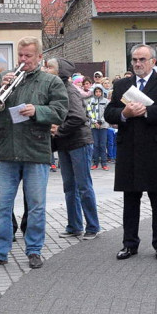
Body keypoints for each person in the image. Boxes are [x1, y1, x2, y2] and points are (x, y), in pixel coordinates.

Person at [0, 37, 67, 270]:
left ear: (39, 58)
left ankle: (34, 250)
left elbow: (60, 112)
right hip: (7, 149)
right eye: (20, 55)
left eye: (28, 56)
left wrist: (37, 110)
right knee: (2, 205)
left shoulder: (51, 81)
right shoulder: (2, 77)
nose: (23, 60)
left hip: (36, 150)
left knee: (36, 205)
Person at [105, 44, 157, 262]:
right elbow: (109, 112)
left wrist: (148, 111)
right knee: (130, 199)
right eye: (134, 59)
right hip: (129, 148)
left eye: (142, 59)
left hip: (155, 149)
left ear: (152, 62)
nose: (137, 63)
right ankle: (129, 244)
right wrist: (124, 113)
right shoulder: (121, 85)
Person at [47, 58, 101, 240]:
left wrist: (58, 129)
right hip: (65, 143)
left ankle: (92, 227)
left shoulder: (69, 90)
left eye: (50, 67)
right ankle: (74, 226)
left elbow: (78, 117)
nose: (46, 69)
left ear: (61, 71)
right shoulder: (55, 89)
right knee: (69, 187)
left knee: (84, 186)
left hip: (79, 142)